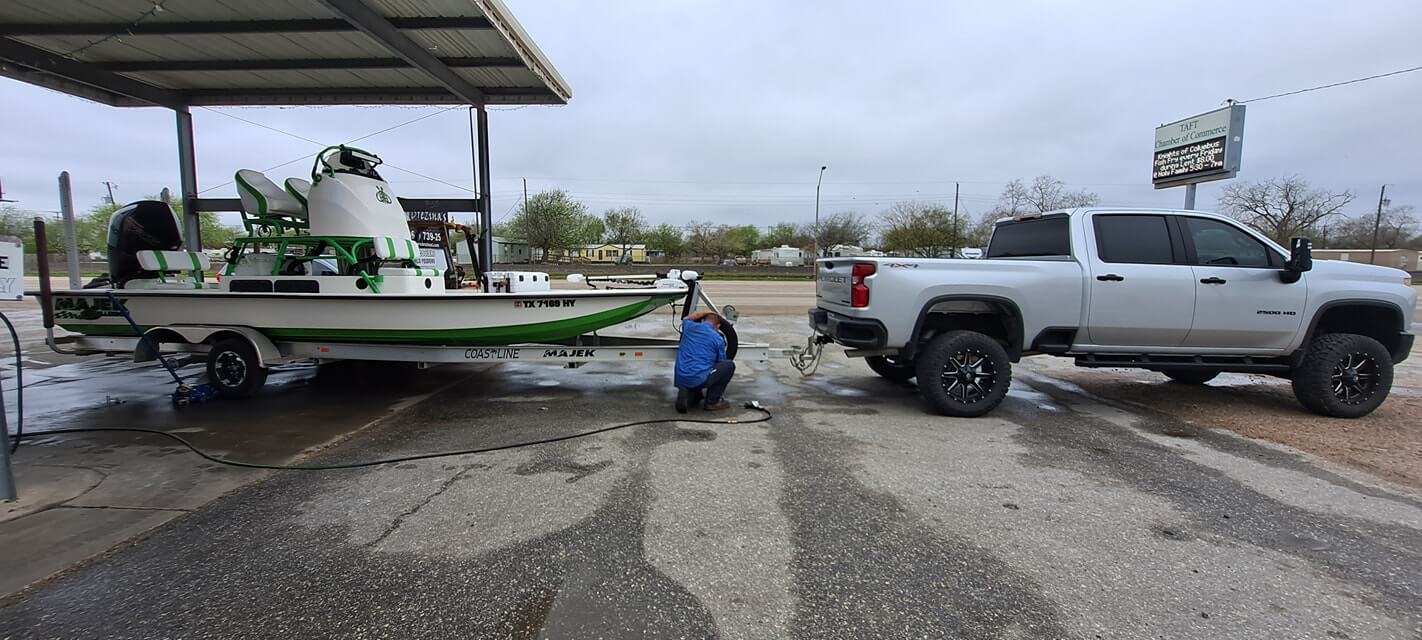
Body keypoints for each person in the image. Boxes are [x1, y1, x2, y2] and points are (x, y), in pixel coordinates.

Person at [674, 311, 735, 413]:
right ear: (718, 326)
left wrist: (707, 312)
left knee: (697, 367)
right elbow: (721, 361)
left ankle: (690, 395)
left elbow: (687, 318)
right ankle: (712, 402)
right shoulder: (717, 339)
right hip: (699, 377)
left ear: (702, 320)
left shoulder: (688, 327)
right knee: (728, 366)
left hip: (681, 378)